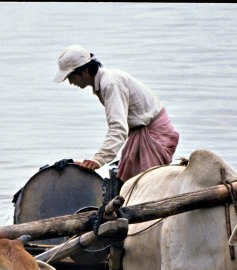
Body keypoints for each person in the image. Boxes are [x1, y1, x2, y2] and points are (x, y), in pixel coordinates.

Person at [53, 45, 180, 182]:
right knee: (129, 185)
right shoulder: (104, 82)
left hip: (154, 135)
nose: (71, 82)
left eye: (70, 77)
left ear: (83, 72)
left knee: (145, 186)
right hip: (141, 131)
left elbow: (118, 128)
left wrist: (98, 160)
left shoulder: (110, 84)